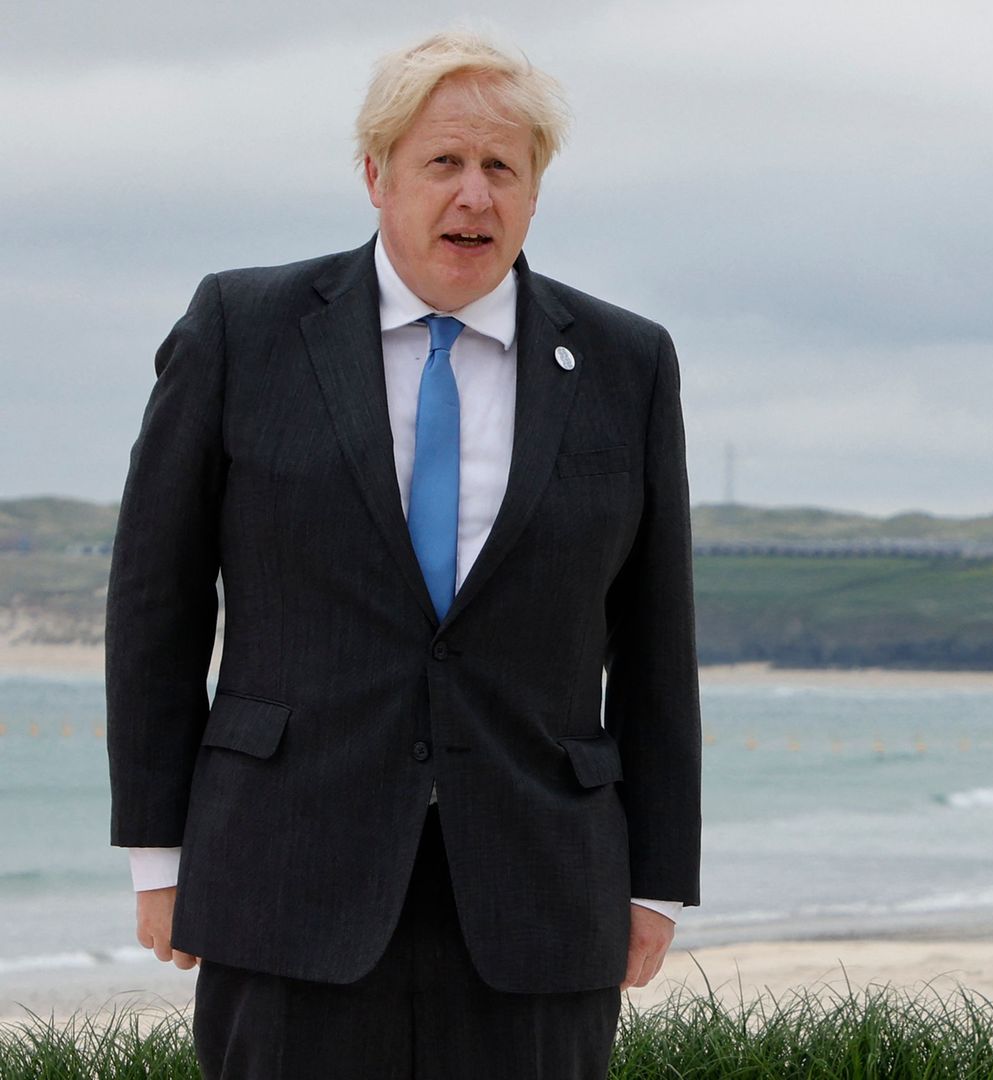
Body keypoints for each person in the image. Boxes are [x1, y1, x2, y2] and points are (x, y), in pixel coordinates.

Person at [105, 30, 700, 1079]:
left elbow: (657, 640)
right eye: (443, 163)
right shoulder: (242, 330)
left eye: (501, 168)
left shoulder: (626, 363)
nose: (473, 196)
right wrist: (163, 858)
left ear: (533, 190)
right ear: (375, 175)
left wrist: (654, 880)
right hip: (285, 883)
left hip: (541, 896)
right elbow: (156, 604)